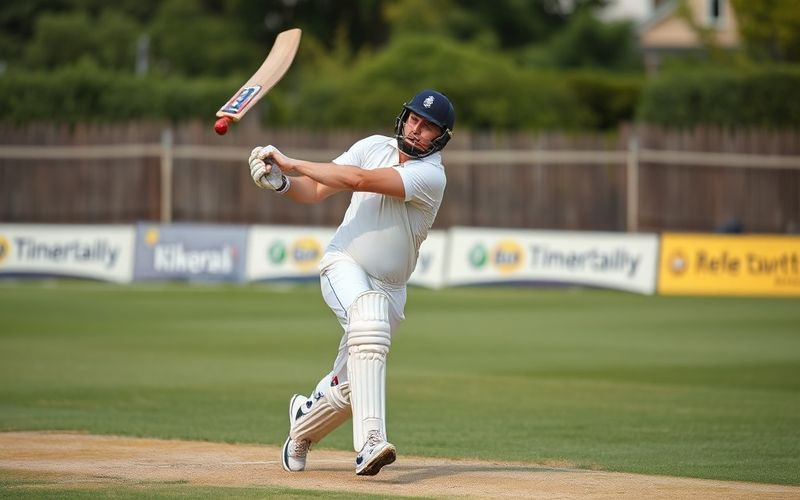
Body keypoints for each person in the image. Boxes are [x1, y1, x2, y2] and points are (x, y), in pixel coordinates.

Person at [247, 89, 455, 476]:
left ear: (440, 137)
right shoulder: (372, 146)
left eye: (428, 127)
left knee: (350, 384)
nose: (416, 129)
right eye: (413, 119)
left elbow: (358, 180)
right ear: (403, 117)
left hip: (391, 288)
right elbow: (318, 190)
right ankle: (371, 443)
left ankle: (302, 424)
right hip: (344, 263)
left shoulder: (430, 176)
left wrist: (290, 163)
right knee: (370, 323)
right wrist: (282, 183)